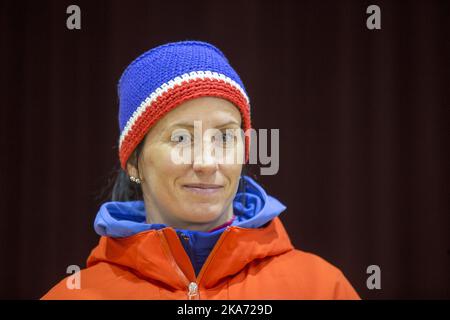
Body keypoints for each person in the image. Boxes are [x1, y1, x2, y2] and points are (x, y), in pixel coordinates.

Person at [42, 41, 360, 300]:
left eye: (225, 137)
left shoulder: (320, 288)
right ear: (134, 162)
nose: (207, 163)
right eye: (181, 138)